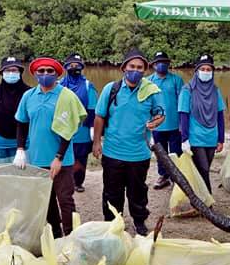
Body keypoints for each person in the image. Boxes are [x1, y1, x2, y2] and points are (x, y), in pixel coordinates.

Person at [13, 57, 87, 238]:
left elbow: (68, 129)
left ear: (57, 74)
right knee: (46, 200)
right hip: (37, 158)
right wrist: (20, 149)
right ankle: (55, 233)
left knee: (65, 199)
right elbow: (22, 124)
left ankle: (70, 236)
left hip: (62, 160)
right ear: (35, 74)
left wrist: (59, 157)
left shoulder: (67, 96)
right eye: (41, 71)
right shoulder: (28, 96)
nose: (45, 74)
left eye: (49, 71)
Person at [93, 49, 165, 235]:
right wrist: (96, 142)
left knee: (138, 192)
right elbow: (100, 116)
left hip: (139, 153)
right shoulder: (111, 89)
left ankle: (139, 222)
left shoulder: (151, 91)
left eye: (140, 67)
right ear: (123, 68)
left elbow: (160, 114)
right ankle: (111, 223)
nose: (135, 70)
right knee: (111, 193)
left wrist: (157, 120)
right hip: (112, 152)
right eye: (132, 66)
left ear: (145, 70)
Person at [178, 54, 226, 192]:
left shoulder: (215, 90)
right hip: (195, 137)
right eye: (203, 69)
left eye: (208, 69)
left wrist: (221, 139)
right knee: (204, 169)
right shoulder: (187, 90)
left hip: (211, 137)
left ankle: (198, 196)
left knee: (203, 170)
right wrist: (185, 139)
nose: (206, 72)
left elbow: (219, 115)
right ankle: (207, 200)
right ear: (197, 71)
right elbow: (183, 115)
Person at [59, 53, 98, 193]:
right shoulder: (59, 85)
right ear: (66, 67)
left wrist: (93, 127)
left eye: (77, 66)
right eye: (71, 65)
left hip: (82, 130)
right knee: (63, 155)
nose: (74, 68)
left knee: (81, 157)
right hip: (63, 128)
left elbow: (93, 108)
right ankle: (65, 181)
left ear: (82, 68)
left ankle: (78, 182)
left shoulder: (88, 86)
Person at [0, 56, 30, 164]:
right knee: (3, 176)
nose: (11, 73)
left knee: (23, 175)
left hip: (25, 145)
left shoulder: (29, 93)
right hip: (0, 145)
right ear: (2, 73)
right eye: (7, 70)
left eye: (14, 70)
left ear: (20, 72)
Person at [148, 51, 184, 189]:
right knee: (161, 153)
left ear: (168, 64)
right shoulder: (148, 81)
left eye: (164, 62)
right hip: (157, 125)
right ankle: (163, 176)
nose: (161, 65)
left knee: (176, 152)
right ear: (154, 65)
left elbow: (182, 102)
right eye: (158, 62)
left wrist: (182, 123)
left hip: (175, 124)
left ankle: (178, 178)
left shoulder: (176, 80)